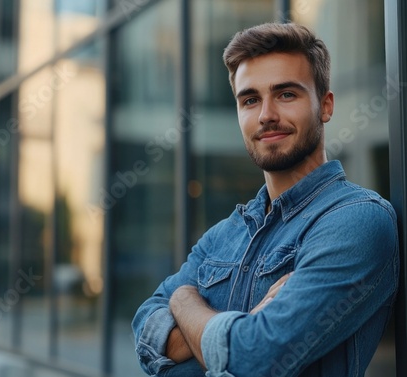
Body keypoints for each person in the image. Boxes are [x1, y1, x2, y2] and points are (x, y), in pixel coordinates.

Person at [131, 22, 399, 377]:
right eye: (250, 100)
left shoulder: (357, 221)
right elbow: (145, 331)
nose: (266, 115)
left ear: (326, 106)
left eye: (286, 94)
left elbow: (255, 360)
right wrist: (241, 329)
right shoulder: (224, 235)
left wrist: (183, 301)